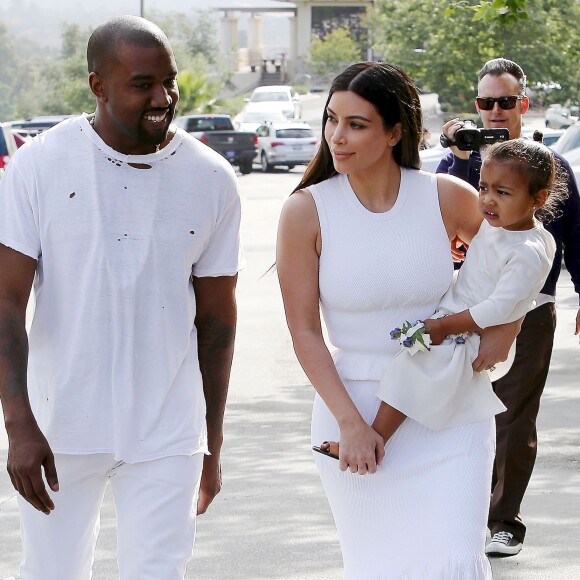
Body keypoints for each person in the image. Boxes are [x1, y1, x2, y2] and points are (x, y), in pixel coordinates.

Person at [0, 15, 243, 579]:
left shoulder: (211, 179)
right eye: (142, 84)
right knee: (51, 573)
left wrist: (212, 442)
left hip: (167, 429)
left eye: (170, 81)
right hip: (59, 425)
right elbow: (6, 301)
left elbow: (218, 325)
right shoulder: (39, 164)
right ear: (98, 85)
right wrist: (20, 426)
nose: (163, 98)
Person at [276, 61, 520, 579]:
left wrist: (503, 331)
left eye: (356, 124)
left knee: (457, 563)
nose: (337, 137)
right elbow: (303, 331)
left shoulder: (445, 196)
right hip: (355, 411)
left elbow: (518, 263)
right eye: (331, 120)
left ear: (394, 132)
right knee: (377, 567)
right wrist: (350, 424)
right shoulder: (306, 211)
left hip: (451, 408)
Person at [319, 137, 561, 460]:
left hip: (470, 328)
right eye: (484, 187)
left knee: (414, 370)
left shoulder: (527, 251)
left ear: (539, 198)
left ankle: (373, 441)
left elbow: (501, 306)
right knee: (411, 370)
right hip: (459, 310)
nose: (487, 200)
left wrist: (445, 326)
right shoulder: (502, 225)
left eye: (502, 193)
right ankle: (373, 439)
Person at [437, 57, 580, 557]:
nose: (495, 110)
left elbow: (576, 237)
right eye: (485, 102)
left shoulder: (550, 167)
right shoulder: (463, 161)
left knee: (514, 417)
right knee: (452, 408)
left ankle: (505, 522)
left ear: (523, 102)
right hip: (469, 303)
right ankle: (458, 513)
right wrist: (458, 157)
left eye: (505, 100)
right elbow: (438, 216)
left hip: (532, 310)